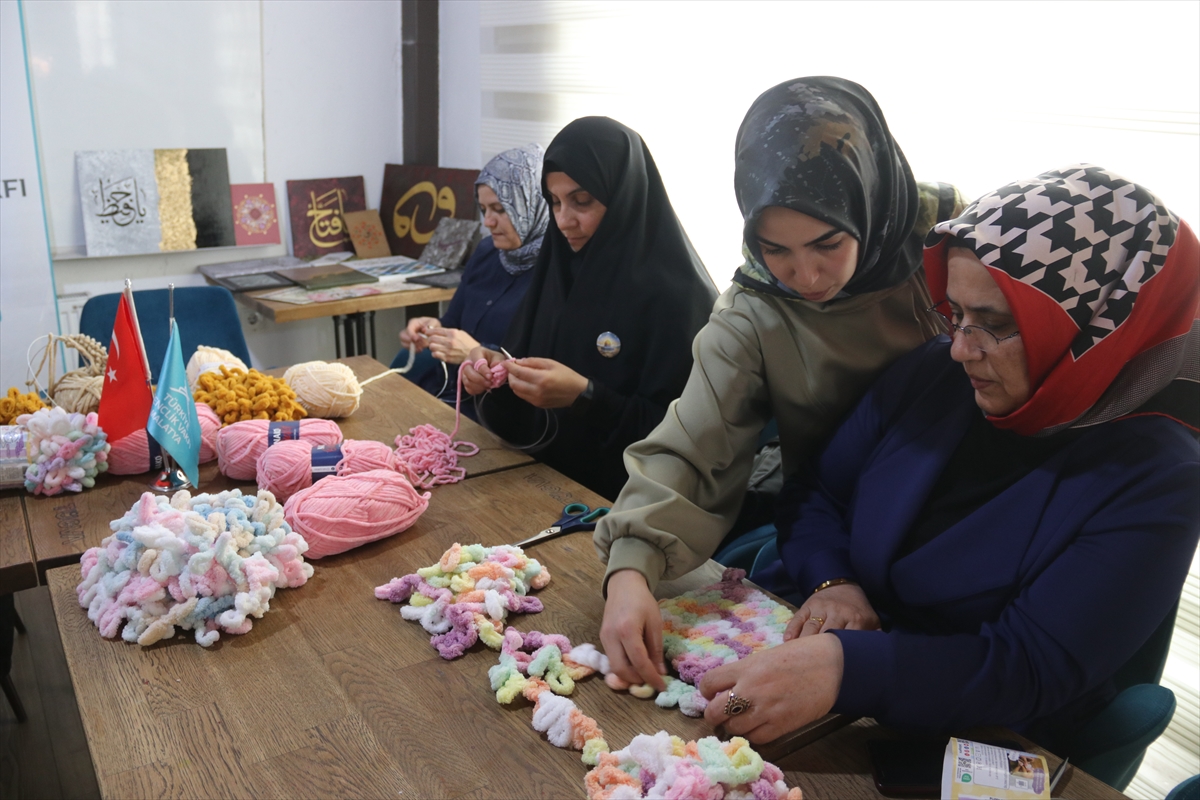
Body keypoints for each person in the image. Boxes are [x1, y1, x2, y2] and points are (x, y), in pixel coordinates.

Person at [694, 165, 1199, 747]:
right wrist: (834, 581)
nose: (960, 347)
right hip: (809, 654)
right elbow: (817, 490)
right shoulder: (937, 371)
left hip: (953, 721)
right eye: (955, 313)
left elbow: (1029, 666)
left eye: (995, 324)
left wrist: (847, 667)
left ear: (1096, 327)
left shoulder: (1161, 476)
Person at [594, 77, 964, 689]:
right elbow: (693, 444)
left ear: (869, 203)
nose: (807, 275)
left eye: (828, 242)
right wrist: (631, 569)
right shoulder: (754, 310)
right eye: (776, 249)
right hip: (839, 541)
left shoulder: (950, 243)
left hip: (974, 522)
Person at [460, 117, 718, 500]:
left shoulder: (677, 296)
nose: (564, 221)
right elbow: (523, 404)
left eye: (582, 202)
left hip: (629, 506)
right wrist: (494, 376)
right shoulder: (557, 271)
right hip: (540, 483)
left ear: (624, 197)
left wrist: (586, 397)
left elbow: (692, 438)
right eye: (555, 202)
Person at [394, 144, 548, 404]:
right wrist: (431, 329)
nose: (488, 221)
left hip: (500, 414)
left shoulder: (554, 273)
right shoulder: (487, 252)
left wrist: (472, 352)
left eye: (500, 209)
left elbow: (542, 372)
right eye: (484, 209)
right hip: (449, 394)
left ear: (532, 204)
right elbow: (453, 319)